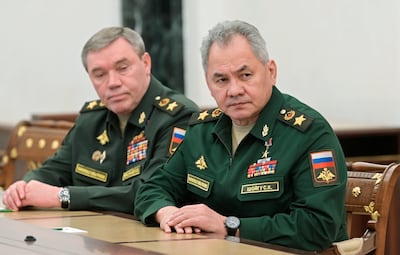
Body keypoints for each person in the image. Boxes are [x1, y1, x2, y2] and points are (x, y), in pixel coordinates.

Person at [134, 20, 348, 251]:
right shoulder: (201, 130)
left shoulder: (309, 133)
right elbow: (152, 188)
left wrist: (230, 227)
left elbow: (318, 226)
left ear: (271, 72)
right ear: (208, 83)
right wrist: (167, 213)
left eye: (245, 75)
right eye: (221, 80)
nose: (234, 90)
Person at [2, 27, 199, 214]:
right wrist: (24, 187)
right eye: (100, 75)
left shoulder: (177, 116)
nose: (113, 83)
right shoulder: (92, 118)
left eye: (122, 68)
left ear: (146, 64)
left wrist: (63, 196)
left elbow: (149, 192)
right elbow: (53, 170)